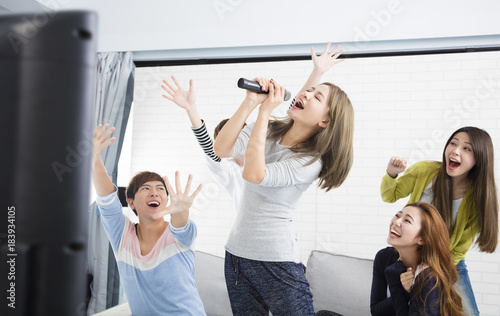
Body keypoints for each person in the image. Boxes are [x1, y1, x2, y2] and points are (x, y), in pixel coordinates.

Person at [213, 43, 354, 315]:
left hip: (276, 260)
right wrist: (250, 103)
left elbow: (254, 174)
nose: (307, 94)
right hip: (236, 257)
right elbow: (221, 148)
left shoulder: (310, 161)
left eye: (317, 97)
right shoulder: (268, 130)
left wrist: (264, 112)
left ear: (326, 121)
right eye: (309, 91)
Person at [380, 126, 498, 315]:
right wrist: (391, 174)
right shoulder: (424, 171)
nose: (455, 150)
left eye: (467, 148)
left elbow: (459, 250)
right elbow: (389, 195)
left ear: (479, 159)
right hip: (412, 255)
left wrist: (430, 270)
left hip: (448, 262)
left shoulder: (478, 200)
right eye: (453, 143)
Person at [92, 124, 206, 315]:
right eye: (146, 188)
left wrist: (181, 210)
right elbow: (107, 201)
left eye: (160, 189)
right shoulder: (122, 236)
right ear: (131, 203)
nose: (154, 193)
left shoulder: (181, 236)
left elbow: (181, 224)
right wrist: (95, 159)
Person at [161, 76, 245, 212]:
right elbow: (210, 149)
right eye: (228, 141)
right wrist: (191, 108)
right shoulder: (229, 170)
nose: (236, 143)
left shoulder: (270, 157)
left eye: (239, 135)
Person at [380, 202, 464, 316]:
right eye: (398, 215)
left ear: (422, 239)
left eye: (407, 221)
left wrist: (396, 286)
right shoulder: (389, 258)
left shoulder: (428, 279)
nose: (396, 221)